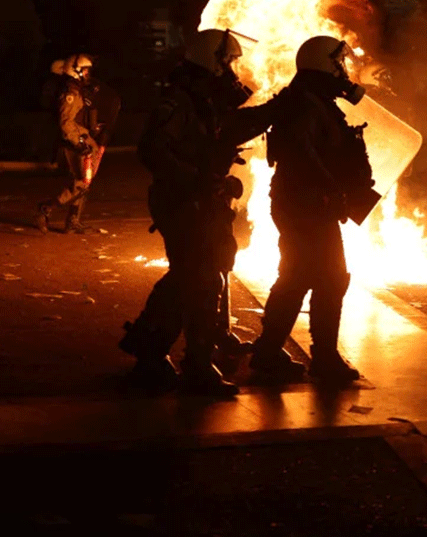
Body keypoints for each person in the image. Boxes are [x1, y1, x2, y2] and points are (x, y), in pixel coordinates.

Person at [118, 29, 278, 397]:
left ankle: (151, 352)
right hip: (183, 202)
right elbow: (154, 152)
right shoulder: (179, 103)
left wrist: (278, 107)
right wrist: (200, 180)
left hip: (199, 200)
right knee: (200, 281)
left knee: (190, 278)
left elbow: (230, 129)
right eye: (229, 62)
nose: (233, 70)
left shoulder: (202, 101)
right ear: (212, 60)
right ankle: (195, 366)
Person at [250, 35, 374, 385]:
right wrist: (332, 190)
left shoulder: (312, 100)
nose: (345, 71)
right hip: (306, 205)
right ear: (325, 65)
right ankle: (321, 359)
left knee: (300, 276)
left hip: (305, 204)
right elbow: (302, 152)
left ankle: (270, 352)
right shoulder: (307, 104)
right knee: (326, 278)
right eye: (339, 64)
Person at [35, 54, 99, 234]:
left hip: (81, 141)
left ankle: (73, 220)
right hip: (73, 144)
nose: (88, 74)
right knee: (81, 183)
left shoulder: (78, 90)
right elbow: (66, 123)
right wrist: (79, 142)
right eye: (85, 70)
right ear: (76, 70)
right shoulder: (70, 93)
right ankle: (46, 208)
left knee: (83, 183)